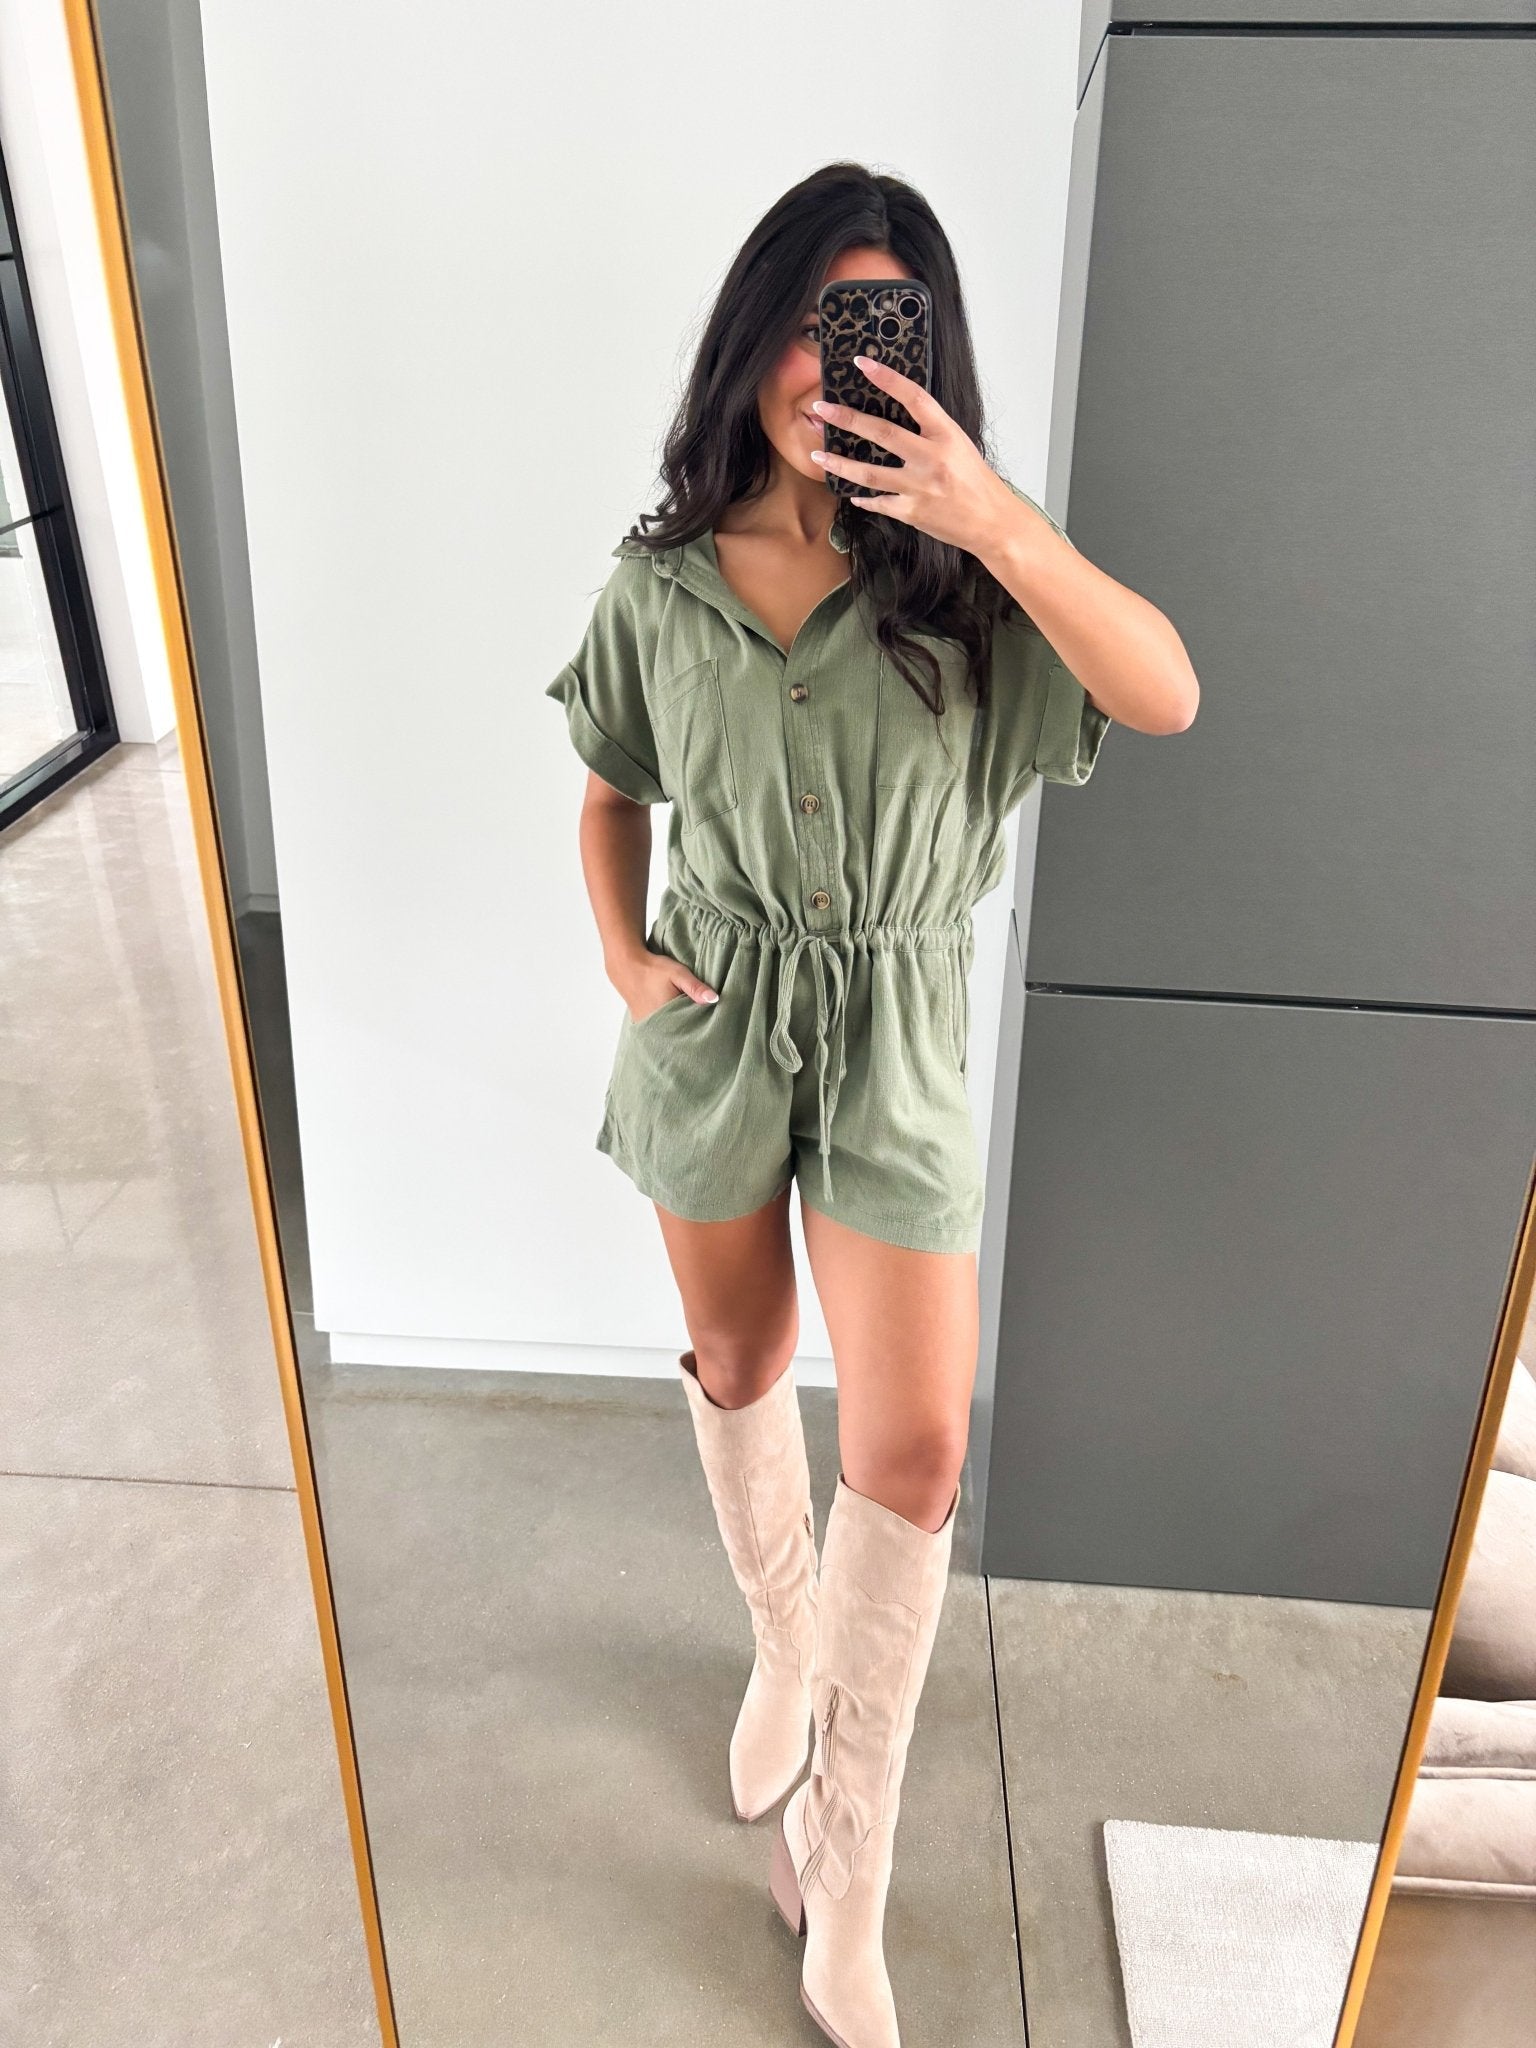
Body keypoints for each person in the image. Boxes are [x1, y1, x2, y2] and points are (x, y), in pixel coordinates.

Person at [545, 160, 1198, 2048]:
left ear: (918, 357)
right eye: (803, 323)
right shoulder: (661, 585)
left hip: (899, 1041)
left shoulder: (972, 592)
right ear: (751, 336)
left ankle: (843, 1876)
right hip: (716, 1027)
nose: (823, 366)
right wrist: (622, 957)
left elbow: (1163, 693)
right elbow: (608, 787)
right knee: (743, 1363)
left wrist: (992, 514)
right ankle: (782, 1642)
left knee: (910, 1452)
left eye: (867, 329)